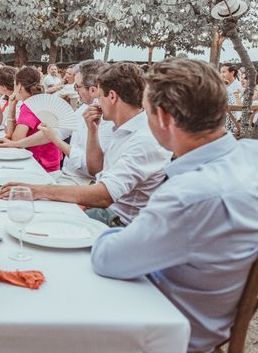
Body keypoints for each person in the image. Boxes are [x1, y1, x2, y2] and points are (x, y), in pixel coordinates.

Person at [91, 58, 258, 353]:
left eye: (146, 111)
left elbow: (107, 259)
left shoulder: (187, 195)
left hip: (167, 333)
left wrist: (103, 230)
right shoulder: (251, 156)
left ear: (165, 118)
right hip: (210, 318)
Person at [0, 62, 171, 226]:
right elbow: (96, 168)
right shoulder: (122, 127)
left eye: (100, 96)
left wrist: (38, 191)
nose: (97, 101)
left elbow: (104, 195)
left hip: (115, 223)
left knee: (28, 216)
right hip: (99, 209)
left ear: (112, 96)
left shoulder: (143, 138)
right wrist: (93, 132)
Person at [0, 60, 114, 185]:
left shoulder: (108, 121)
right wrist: (16, 144)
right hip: (64, 175)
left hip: (81, 183)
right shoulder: (85, 108)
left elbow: (92, 169)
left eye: (76, 86)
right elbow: (56, 131)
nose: (75, 90)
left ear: (94, 90)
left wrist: (56, 140)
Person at [4, 66, 62, 173]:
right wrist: (12, 108)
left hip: (41, 167)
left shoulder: (30, 105)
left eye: (14, 85)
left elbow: (15, 139)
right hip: (52, 163)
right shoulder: (40, 101)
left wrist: (11, 109)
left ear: (20, 86)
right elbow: (11, 136)